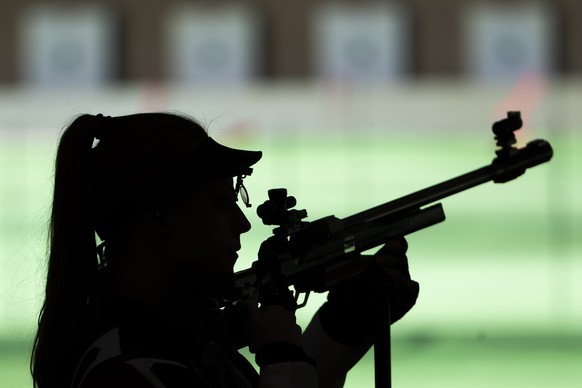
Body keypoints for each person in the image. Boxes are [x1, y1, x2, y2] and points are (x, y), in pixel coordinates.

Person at [30, 112, 419, 388]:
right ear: (155, 215)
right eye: (218, 202)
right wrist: (281, 355)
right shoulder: (132, 369)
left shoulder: (175, 335)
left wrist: (342, 326)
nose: (241, 223)